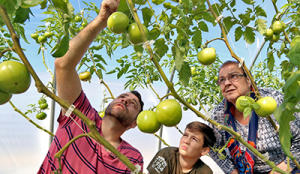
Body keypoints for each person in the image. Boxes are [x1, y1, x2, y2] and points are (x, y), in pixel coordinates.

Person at [37, 0, 145, 173]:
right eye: (122, 97)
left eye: (133, 104)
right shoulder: (80, 116)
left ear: (134, 123)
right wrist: (102, 20)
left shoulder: (133, 158)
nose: (125, 101)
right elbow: (63, 64)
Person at [209, 60, 300, 174]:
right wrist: (232, 171)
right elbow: (214, 148)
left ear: (248, 80)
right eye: (222, 80)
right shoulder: (219, 115)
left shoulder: (273, 100)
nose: (227, 83)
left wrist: (284, 167)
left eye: (233, 76)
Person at [147, 121, 216, 174]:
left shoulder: (205, 172)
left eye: (194, 139)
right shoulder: (166, 155)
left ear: (204, 150)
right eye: (185, 135)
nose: (186, 141)